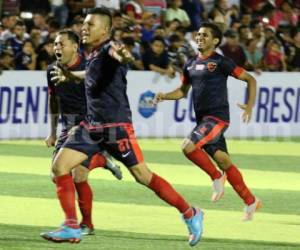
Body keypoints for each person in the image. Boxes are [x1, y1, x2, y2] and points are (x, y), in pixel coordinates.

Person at [40, 7, 203, 246]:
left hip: (116, 127)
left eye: (90, 24)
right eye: (84, 24)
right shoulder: (95, 54)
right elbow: (91, 73)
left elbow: (122, 56)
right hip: (92, 126)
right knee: (60, 167)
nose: (84, 28)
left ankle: (190, 213)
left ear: (105, 29)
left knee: (143, 176)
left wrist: (125, 55)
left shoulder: (109, 49)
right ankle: (71, 226)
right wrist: (72, 77)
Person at [155, 22, 261, 221]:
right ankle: (250, 201)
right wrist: (165, 96)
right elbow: (182, 91)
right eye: (198, 34)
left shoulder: (221, 62)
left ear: (215, 40)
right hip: (203, 120)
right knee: (224, 161)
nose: (200, 37)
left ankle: (216, 177)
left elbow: (251, 80)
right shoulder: (189, 64)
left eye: (205, 35)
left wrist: (249, 105)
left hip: (218, 118)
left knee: (188, 146)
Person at [43, 29, 122, 236]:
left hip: (90, 124)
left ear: (75, 47)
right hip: (68, 125)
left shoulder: (89, 67)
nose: (57, 47)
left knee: (78, 175)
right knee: (56, 174)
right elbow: (53, 100)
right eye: (55, 44)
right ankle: (102, 161)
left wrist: (89, 125)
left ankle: (81, 225)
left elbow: (102, 98)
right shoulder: (52, 69)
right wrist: (52, 132)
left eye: (61, 44)